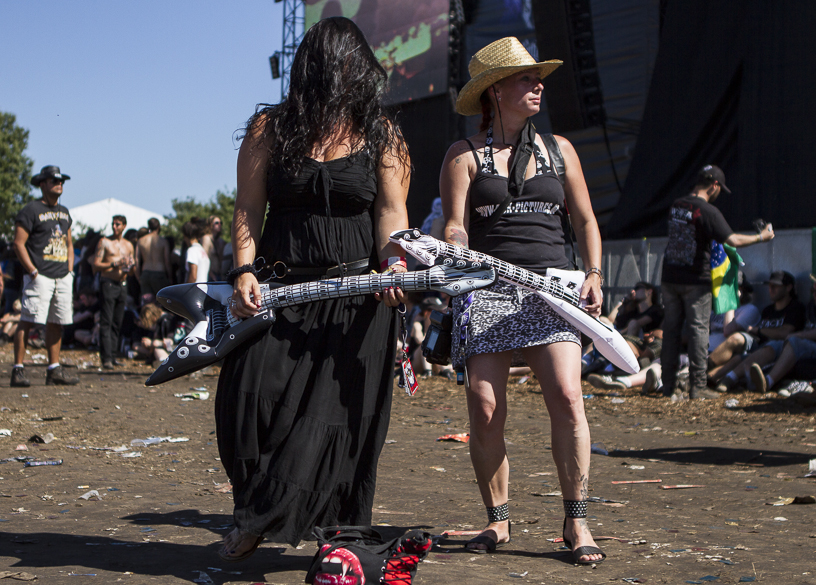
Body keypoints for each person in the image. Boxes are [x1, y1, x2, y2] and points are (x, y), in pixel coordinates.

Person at [216, 17, 410, 561]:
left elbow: (392, 216)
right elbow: (249, 208)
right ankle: (256, 506)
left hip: (357, 301)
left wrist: (395, 263)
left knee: (331, 422)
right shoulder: (270, 129)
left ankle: (320, 536)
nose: (357, 75)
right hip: (280, 292)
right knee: (246, 400)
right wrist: (243, 270)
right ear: (321, 68)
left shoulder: (382, 134)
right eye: (347, 65)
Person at [440, 37, 605, 563]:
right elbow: (453, 224)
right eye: (524, 79)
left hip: (553, 291)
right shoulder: (463, 155)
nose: (537, 86)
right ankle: (498, 521)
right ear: (493, 92)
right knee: (485, 409)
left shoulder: (560, 150)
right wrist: (456, 247)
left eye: (538, 78)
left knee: (566, 396)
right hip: (487, 290)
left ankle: (577, 522)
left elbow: (584, 220)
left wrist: (594, 274)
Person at [660, 164, 775, 400]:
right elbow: (733, 240)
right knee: (698, 332)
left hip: (670, 277)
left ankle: (669, 385)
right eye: (720, 189)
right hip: (695, 280)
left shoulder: (676, 205)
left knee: (671, 332)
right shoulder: (708, 212)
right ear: (714, 186)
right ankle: (698, 386)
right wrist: (761, 237)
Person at [10, 165, 79, 387]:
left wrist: (70, 270)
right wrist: (32, 271)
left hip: (62, 275)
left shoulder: (65, 212)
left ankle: (53, 369)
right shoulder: (31, 210)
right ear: (42, 184)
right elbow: (18, 243)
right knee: (28, 320)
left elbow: (69, 243)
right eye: (53, 181)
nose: (59, 184)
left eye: (61, 181)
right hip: (40, 274)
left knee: (57, 322)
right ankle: (18, 370)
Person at [711, 271, 806, 391]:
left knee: (770, 346)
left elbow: (785, 333)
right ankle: (709, 378)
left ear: (788, 287)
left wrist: (758, 330)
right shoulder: (768, 310)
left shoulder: (795, 307)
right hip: (760, 347)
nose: (770, 289)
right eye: (769, 286)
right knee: (739, 358)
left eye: (775, 286)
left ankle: (729, 379)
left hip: (779, 350)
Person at [747, 275, 816, 394]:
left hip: (809, 348)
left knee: (794, 342)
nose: (814, 293)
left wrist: (798, 335)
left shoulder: (795, 307)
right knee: (775, 344)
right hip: (804, 349)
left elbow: (788, 332)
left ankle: (767, 382)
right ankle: (730, 378)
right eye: (813, 290)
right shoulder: (811, 306)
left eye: (776, 286)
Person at [91, 215, 135, 369]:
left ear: (124, 226)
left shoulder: (128, 245)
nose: (115, 227)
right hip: (108, 283)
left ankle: (114, 355)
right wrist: (115, 263)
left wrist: (130, 266)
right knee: (106, 321)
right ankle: (106, 358)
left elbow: (132, 270)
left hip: (122, 284)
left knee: (117, 321)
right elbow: (95, 265)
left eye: (118, 224)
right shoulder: (104, 242)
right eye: (113, 224)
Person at [135, 217, 172, 300]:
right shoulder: (163, 241)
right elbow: (167, 261)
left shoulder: (141, 240)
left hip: (146, 273)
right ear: (158, 227)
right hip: (159, 273)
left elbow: (136, 260)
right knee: (161, 301)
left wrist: (138, 277)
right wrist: (170, 277)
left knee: (147, 303)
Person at [182, 219, 209, 284]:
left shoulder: (192, 251)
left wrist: (185, 290)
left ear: (186, 236)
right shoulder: (202, 251)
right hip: (204, 290)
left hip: (195, 291)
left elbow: (193, 276)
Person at [202, 215, 225, 281]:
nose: (219, 225)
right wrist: (211, 274)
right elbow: (204, 259)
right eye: (217, 223)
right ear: (210, 225)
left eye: (221, 223)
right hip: (210, 275)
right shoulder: (206, 238)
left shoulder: (220, 241)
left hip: (218, 274)